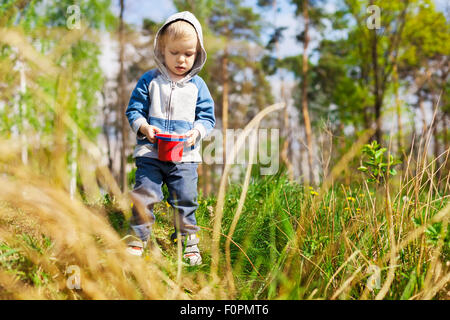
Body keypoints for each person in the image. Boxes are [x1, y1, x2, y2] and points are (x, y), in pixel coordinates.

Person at [124, 11, 215, 265]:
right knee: (145, 192)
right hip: (151, 154)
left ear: (197, 53)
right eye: (174, 53)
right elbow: (133, 110)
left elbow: (207, 118)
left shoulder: (198, 86)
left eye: (189, 54)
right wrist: (143, 127)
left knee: (185, 197)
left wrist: (196, 132)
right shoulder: (150, 81)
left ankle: (187, 241)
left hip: (184, 156)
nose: (181, 59)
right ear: (162, 50)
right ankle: (138, 237)